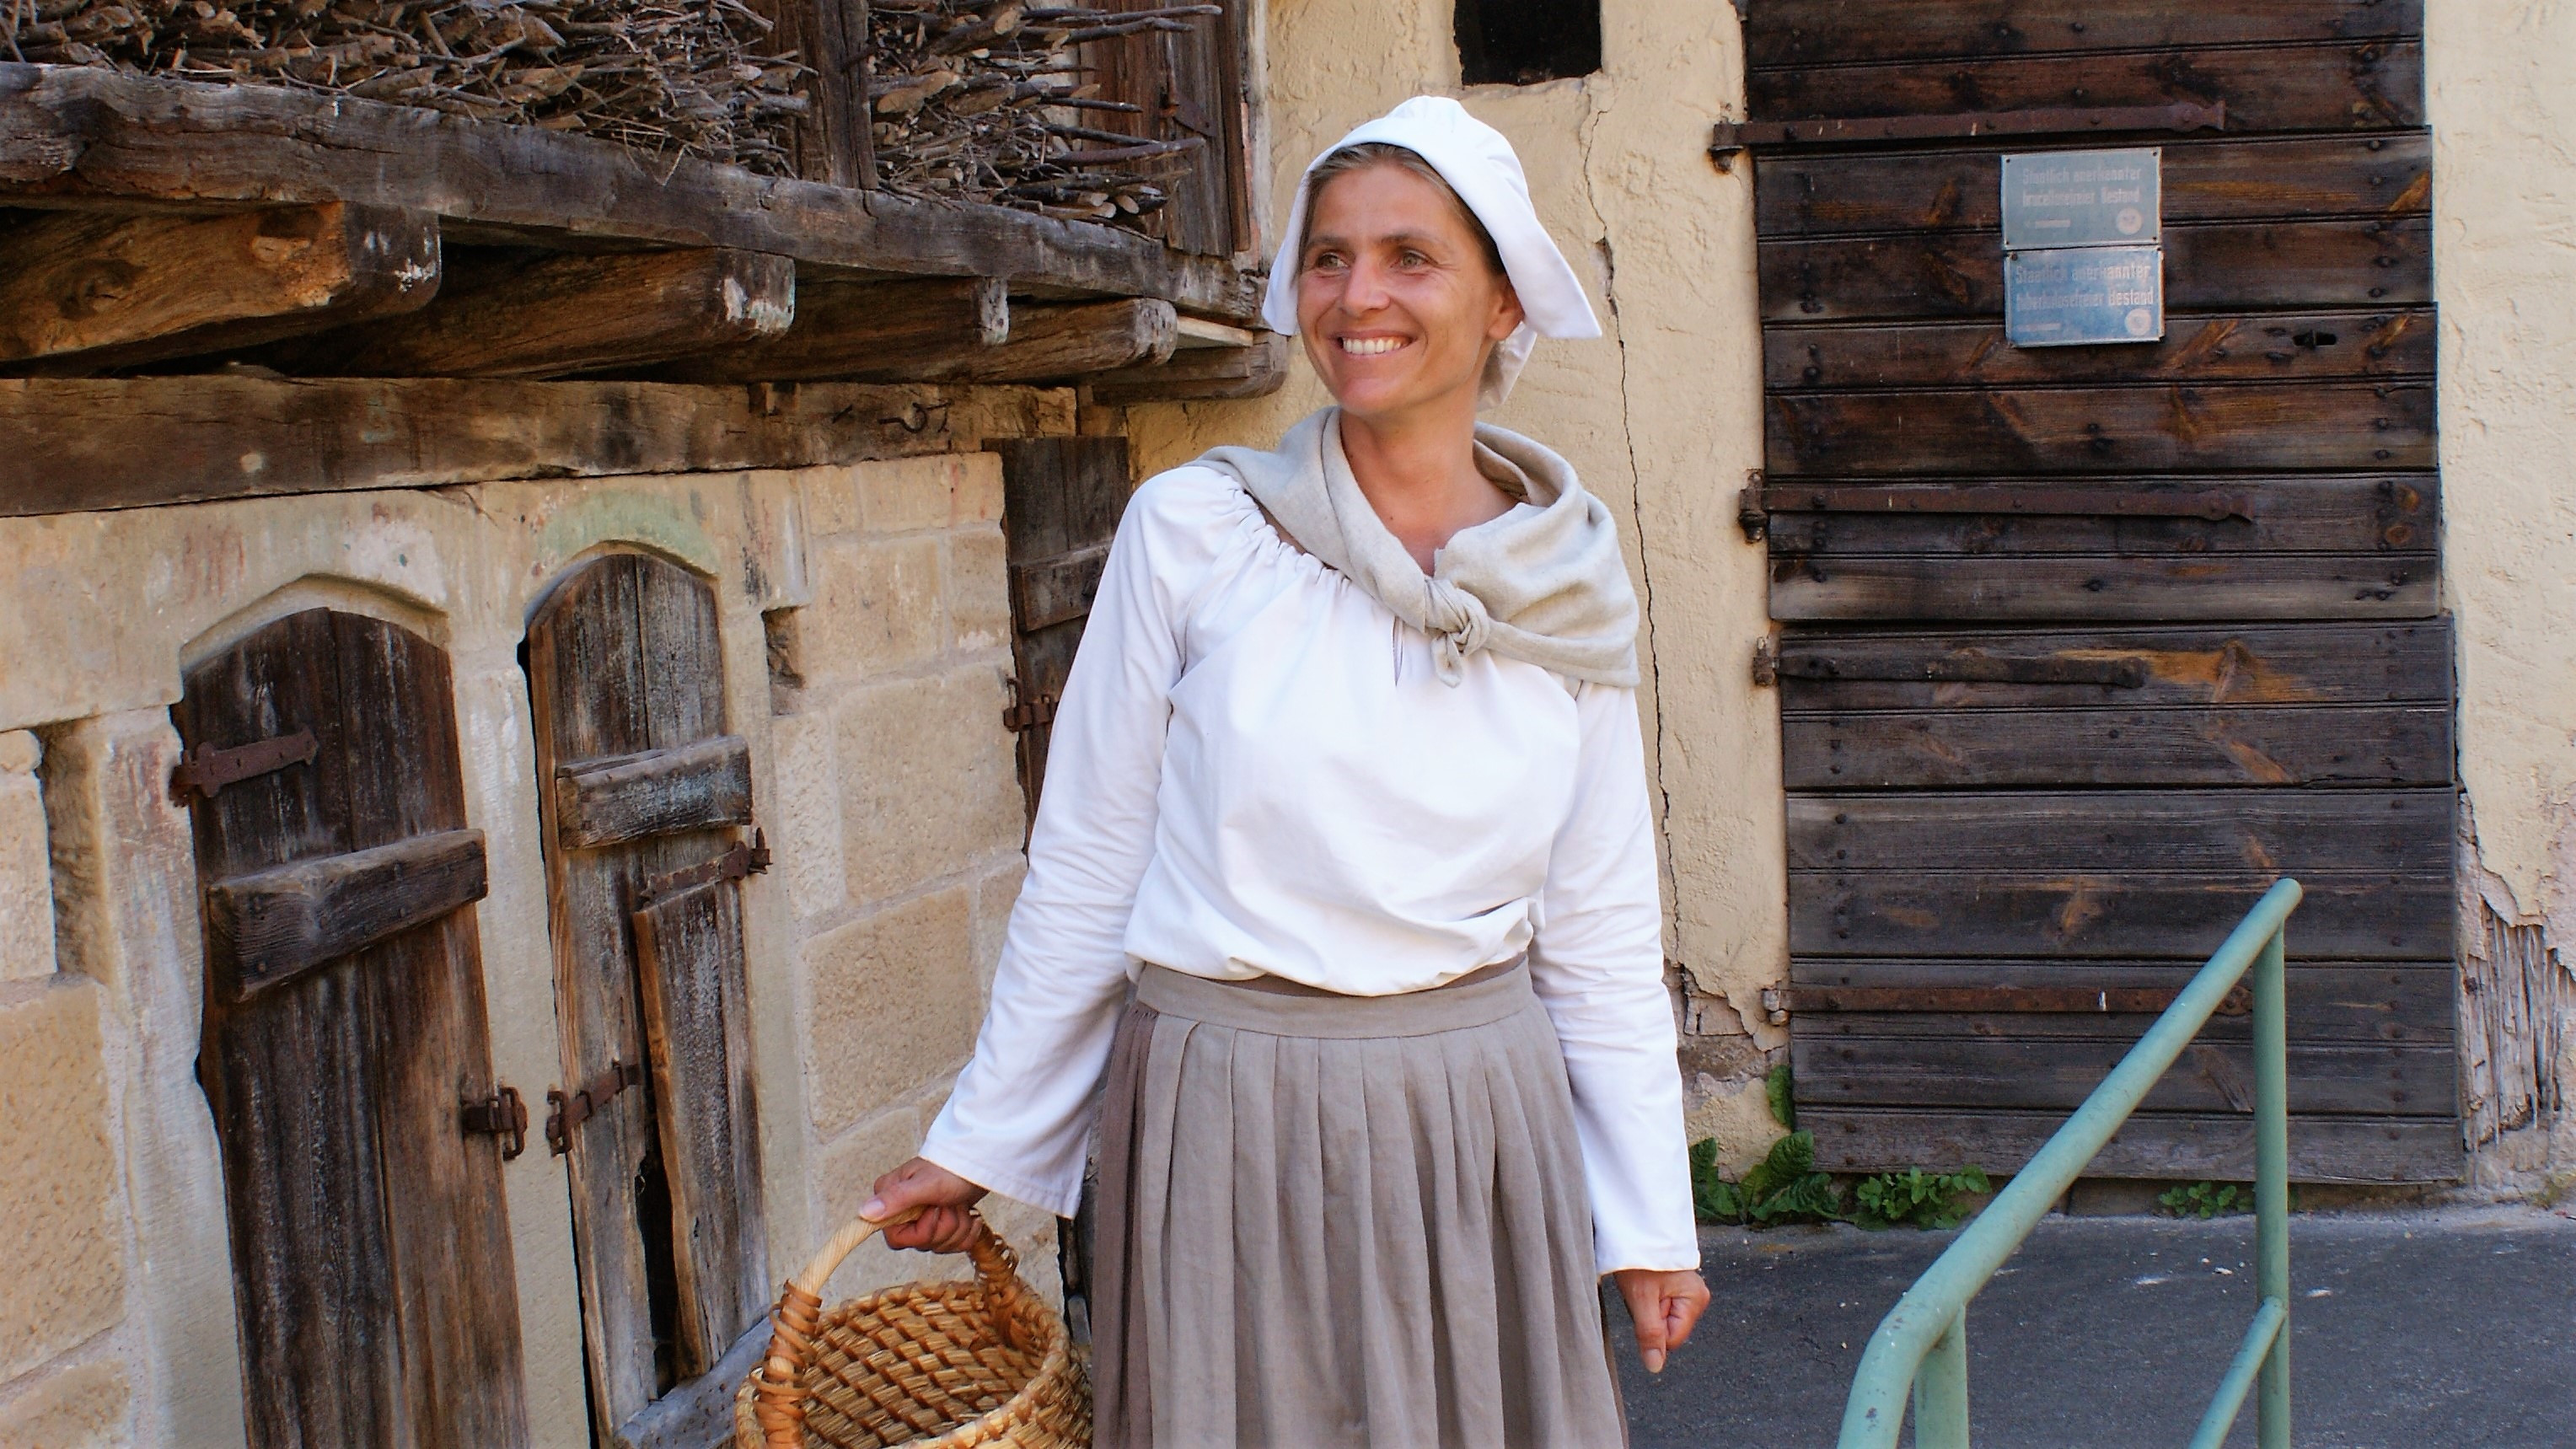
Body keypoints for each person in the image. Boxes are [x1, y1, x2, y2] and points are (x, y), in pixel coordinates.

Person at [862, 94, 1709, 1447]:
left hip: (1476, 1124)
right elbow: (1090, 861)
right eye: (1329, 257)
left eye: (1410, 257)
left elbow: (1600, 925)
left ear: (1503, 302)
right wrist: (983, 1143)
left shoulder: (1566, 580)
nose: (1358, 295)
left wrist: (1650, 1221)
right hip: (1224, 1118)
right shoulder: (1197, 533)